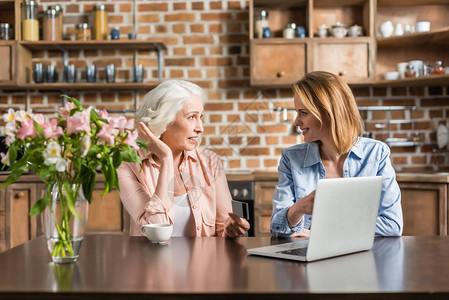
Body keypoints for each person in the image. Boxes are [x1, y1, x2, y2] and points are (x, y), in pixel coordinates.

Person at [270, 71, 403, 238]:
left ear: (328, 113)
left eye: (303, 113)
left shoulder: (376, 154)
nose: (296, 122)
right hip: (308, 258)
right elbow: (277, 228)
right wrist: (299, 208)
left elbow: (392, 225)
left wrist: (321, 231)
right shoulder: (291, 158)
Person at [118, 79, 249, 238]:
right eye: (191, 117)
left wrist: (230, 230)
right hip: (152, 262)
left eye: (201, 116)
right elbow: (156, 233)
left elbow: (223, 228)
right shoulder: (128, 165)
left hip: (204, 262)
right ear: (165, 120)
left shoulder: (210, 162)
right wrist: (165, 158)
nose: (200, 128)